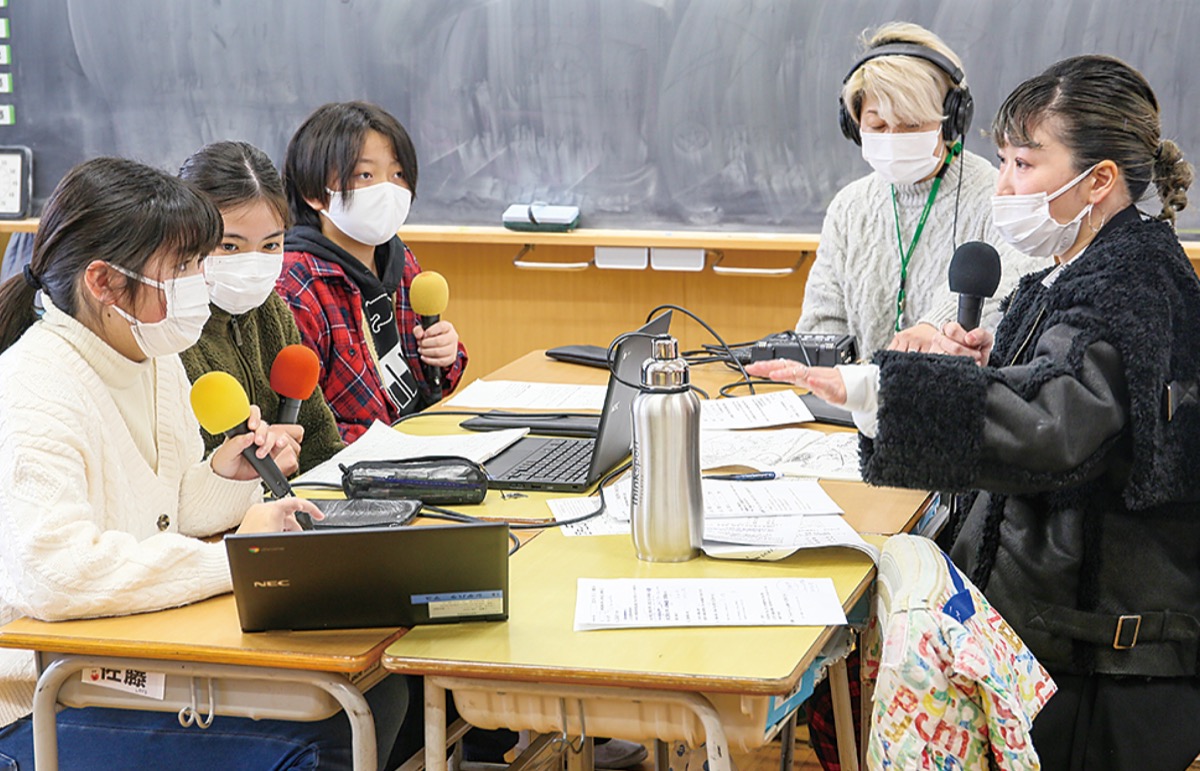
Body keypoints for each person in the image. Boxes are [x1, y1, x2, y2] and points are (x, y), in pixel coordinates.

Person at [750, 54, 1199, 768]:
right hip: (1058, 631)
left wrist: (878, 391)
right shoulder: (1087, 265)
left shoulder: (1132, 281)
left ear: (1099, 180)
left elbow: (1057, 422)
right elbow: (1065, 381)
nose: (1005, 185)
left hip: (1093, 667)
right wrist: (993, 366)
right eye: (1004, 161)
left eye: (1025, 163)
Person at [0, 157, 411, 770]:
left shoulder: (150, 355)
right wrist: (239, 560)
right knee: (331, 733)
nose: (200, 283)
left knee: (384, 693)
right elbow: (55, 572)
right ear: (103, 282)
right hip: (44, 703)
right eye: (183, 267)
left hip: (131, 656)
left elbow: (163, 510)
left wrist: (225, 478)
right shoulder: (34, 388)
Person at [797, 22, 1046, 358]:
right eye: (877, 125)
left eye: (911, 124)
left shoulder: (998, 195)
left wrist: (936, 326)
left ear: (952, 120)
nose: (893, 138)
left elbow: (1017, 288)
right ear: (854, 126)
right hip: (859, 390)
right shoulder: (849, 207)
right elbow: (820, 325)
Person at [279, 101, 468, 443]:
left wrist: (444, 355)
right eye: (365, 175)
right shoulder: (297, 282)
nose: (388, 189)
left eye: (398, 175)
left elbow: (427, 385)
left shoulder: (398, 259)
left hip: (414, 438)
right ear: (314, 193)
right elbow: (303, 421)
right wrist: (388, 445)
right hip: (355, 459)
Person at [179, 140, 344, 474]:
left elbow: (321, 443)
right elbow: (179, 472)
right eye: (229, 246)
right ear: (186, 236)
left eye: (270, 245)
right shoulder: (169, 330)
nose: (253, 264)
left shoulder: (272, 311)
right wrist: (257, 472)